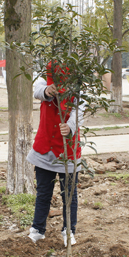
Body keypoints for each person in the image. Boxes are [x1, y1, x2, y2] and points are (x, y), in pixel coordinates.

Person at [27, 64, 84, 247]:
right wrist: (47, 90)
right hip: (45, 148)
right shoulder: (45, 79)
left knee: (69, 195)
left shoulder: (78, 86)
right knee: (43, 193)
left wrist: (70, 126)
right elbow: (37, 90)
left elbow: (79, 110)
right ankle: (37, 230)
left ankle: (69, 231)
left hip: (67, 150)